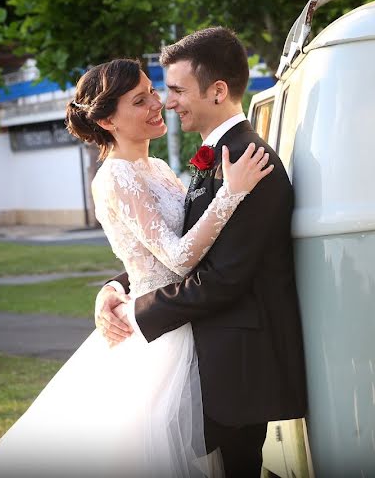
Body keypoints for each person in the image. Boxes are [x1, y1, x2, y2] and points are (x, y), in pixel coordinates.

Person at [0, 58, 272, 478]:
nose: (158, 104)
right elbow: (178, 256)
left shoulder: (160, 168)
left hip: (187, 319)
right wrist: (231, 194)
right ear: (109, 119)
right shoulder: (113, 177)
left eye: (153, 92)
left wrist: (112, 285)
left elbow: (154, 252)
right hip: (162, 337)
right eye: (139, 100)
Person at [95, 27, 307, 477]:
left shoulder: (250, 160)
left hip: (239, 359)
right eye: (155, 93)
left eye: (173, 90)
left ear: (217, 91)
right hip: (205, 356)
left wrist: (138, 312)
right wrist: (118, 284)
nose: (165, 103)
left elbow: (224, 277)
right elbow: (175, 244)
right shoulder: (215, 154)